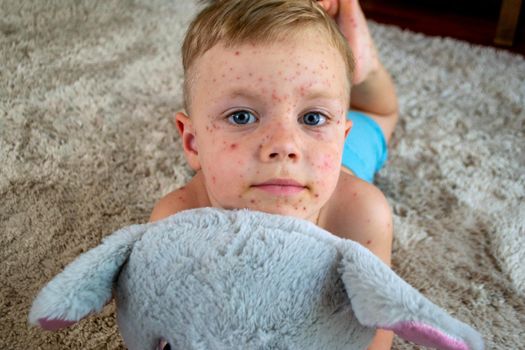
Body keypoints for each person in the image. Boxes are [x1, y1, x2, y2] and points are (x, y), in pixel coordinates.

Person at [150, 0, 398, 348]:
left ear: (341, 139)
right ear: (192, 143)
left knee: (381, 112)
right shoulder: (178, 219)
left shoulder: (360, 213)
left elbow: (371, 335)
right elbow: (152, 323)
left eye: (312, 117)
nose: (284, 146)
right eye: (242, 116)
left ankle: (361, 62)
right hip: (318, 165)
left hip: (339, 171)